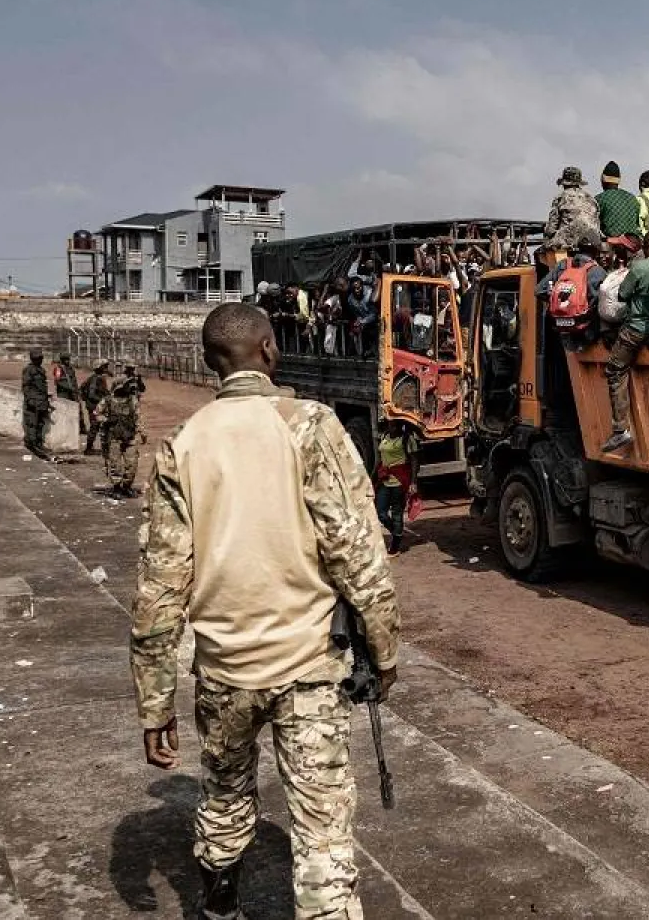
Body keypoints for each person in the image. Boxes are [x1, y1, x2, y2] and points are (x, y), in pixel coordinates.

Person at [130, 303, 399, 920]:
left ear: (210, 362)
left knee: (224, 793)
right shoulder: (309, 425)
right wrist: (384, 651)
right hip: (307, 664)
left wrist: (155, 705)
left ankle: (219, 903)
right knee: (323, 828)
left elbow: (159, 588)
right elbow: (357, 551)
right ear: (271, 351)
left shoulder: (184, 444)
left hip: (224, 671)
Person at [602, 228, 649, 453]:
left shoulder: (639, 267)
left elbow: (622, 295)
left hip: (634, 329)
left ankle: (620, 430)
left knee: (614, 371)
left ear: (646, 244)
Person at [538, 227, 609, 350]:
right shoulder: (598, 271)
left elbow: (539, 291)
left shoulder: (563, 265)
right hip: (588, 335)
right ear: (596, 250)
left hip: (564, 333)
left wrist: (557, 304)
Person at [374, 420, 419, 555]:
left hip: (400, 481)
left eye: (395, 425)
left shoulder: (407, 439)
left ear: (401, 426)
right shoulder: (384, 437)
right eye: (391, 425)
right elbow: (379, 460)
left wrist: (413, 482)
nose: (392, 428)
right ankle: (397, 532)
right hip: (385, 479)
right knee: (380, 512)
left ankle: (395, 546)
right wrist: (372, 478)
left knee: (397, 513)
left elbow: (414, 461)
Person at [543, 166, 601, 256]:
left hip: (568, 243)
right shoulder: (591, 198)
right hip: (592, 241)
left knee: (544, 250)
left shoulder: (561, 197)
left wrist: (547, 235)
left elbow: (551, 228)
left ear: (564, 184)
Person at [102, 372, 143, 497]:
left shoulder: (132, 400)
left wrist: (142, 433)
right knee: (115, 464)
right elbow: (96, 413)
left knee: (132, 465)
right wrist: (106, 420)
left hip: (130, 437)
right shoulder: (108, 401)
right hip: (114, 437)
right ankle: (116, 488)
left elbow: (138, 418)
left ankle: (126, 486)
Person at [595, 160, 643, 251]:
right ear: (619, 181)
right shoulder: (632, 199)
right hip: (632, 247)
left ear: (602, 180)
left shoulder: (599, 199)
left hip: (610, 247)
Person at [21, 349, 53, 460]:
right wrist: (30, 400)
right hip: (33, 404)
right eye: (38, 358)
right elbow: (26, 387)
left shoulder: (41, 370)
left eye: (41, 358)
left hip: (42, 403)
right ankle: (33, 447)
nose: (40, 359)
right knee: (32, 425)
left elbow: (42, 388)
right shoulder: (28, 370)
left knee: (40, 425)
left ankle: (39, 445)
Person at [80, 361, 112, 455]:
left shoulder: (99, 378)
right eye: (104, 367)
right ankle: (88, 449)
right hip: (95, 407)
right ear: (99, 368)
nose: (106, 369)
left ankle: (100, 448)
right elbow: (91, 395)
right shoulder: (95, 379)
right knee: (94, 427)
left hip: (97, 406)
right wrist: (103, 401)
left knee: (99, 426)